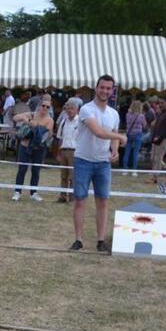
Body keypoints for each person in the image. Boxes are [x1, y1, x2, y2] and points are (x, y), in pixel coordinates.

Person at [71, 75, 127, 252]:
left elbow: (112, 134)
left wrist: (115, 149)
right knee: (80, 200)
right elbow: (99, 132)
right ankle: (78, 239)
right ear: (96, 88)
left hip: (103, 163)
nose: (105, 91)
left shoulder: (114, 114)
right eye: (102, 87)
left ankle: (101, 240)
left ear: (112, 91)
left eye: (108, 89)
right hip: (83, 161)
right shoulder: (87, 110)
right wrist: (119, 137)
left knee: (103, 201)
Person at [12, 96, 54, 202]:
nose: (44, 108)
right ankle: (17, 192)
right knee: (22, 169)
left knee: (36, 171)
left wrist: (34, 125)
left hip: (39, 148)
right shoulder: (31, 114)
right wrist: (26, 120)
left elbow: (45, 133)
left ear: (49, 108)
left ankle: (33, 193)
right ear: (39, 106)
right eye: (43, 105)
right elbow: (15, 118)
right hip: (25, 146)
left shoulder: (50, 120)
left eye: (47, 107)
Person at [55, 97, 81, 203]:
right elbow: (60, 137)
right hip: (64, 150)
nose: (69, 110)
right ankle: (62, 196)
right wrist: (58, 153)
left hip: (75, 152)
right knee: (63, 175)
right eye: (68, 108)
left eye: (72, 108)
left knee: (73, 176)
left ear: (76, 110)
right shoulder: (63, 121)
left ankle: (72, 197)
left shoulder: (80, 122)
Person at [123, 100, 147, 174]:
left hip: (129, 134)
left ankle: (125, 170)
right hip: (138, 134)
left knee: (127, 152)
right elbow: (144, 125)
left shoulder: (127, 114)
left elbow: (127, 123)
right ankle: (134, 170)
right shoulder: (141, 116)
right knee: (136, 152)